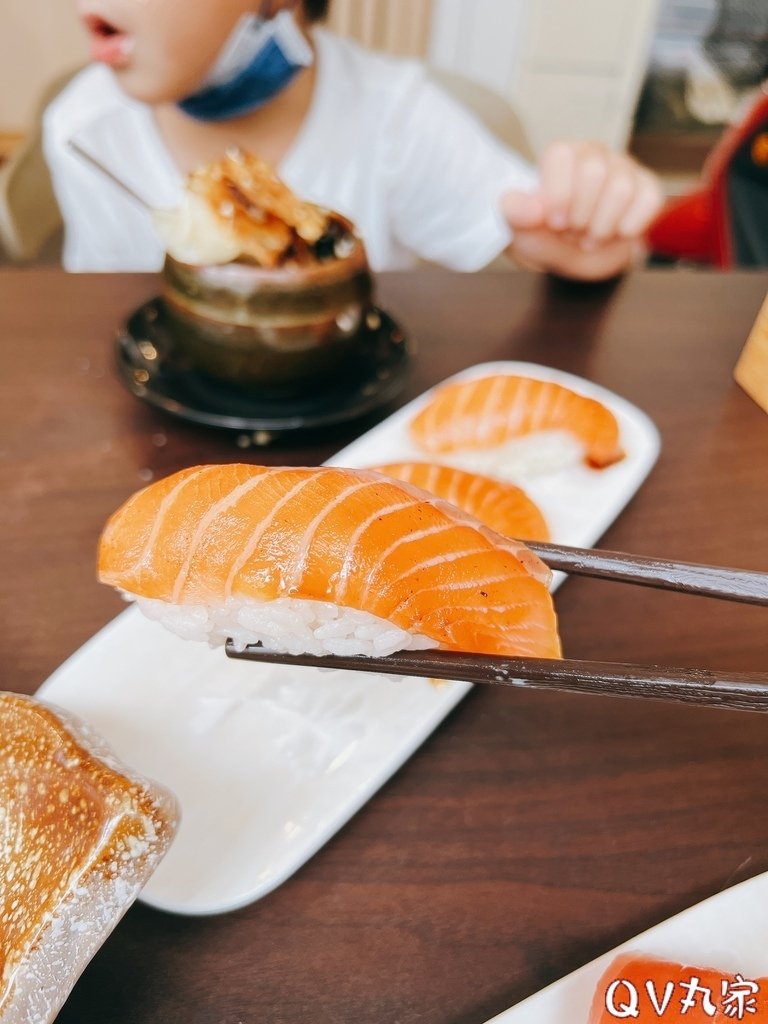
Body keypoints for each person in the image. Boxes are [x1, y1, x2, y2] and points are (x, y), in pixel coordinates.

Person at [45, 0, 663, 279]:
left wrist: (586, 223)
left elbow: (544, 229)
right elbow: (108, 305)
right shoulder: (82, 131)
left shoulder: (396, 116)